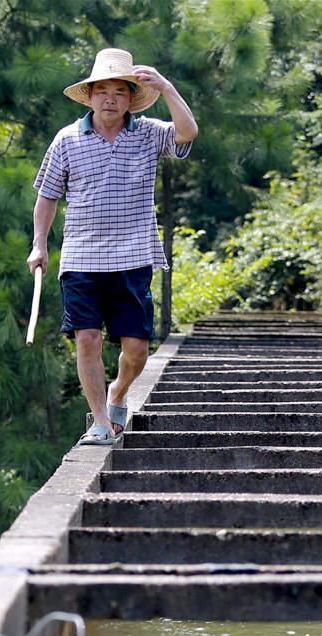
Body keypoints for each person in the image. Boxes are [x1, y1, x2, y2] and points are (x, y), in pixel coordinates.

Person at [27, 48, 198, 445]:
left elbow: (187, 133)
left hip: (134, 255)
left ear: (130, 98)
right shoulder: (67, 140)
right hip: (81, 257)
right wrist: (39, 245)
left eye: (118, 92)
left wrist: (168, 87)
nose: (109, 99)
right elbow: (47, 197)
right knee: (86, 337)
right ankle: (101, 421)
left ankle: (118, 392)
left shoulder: (150, 133)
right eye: (101, 91)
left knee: (136, 348)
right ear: (89, 96)